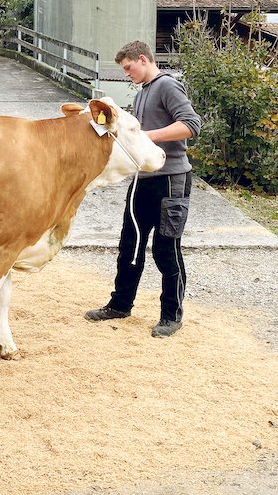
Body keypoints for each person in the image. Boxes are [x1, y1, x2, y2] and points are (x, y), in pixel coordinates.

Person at [85, 40, 201, 337]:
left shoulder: (168, 86)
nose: (127, 74)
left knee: (166, 250)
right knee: (130, 246)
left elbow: (192, 125)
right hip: (142, 180)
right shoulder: (142, 93)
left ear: (142, 59)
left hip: (171, 179)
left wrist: (147, 136)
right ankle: (120, 305)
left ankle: (171, 316)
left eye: (128, 68)